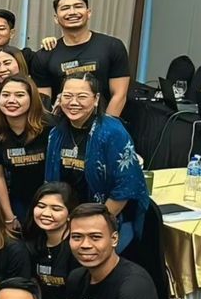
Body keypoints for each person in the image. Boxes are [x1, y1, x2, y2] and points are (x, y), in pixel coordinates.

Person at [44, 73, 149, 249]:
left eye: (82, 97)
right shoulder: (56, 133)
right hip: (66, 218)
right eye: (67, 96)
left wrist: (92, 225)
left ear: (96, 99)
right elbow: (51, 183)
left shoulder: (112, 132)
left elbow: (125, 187)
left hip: (107, 218)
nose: (73, 102)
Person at [32, 0, 130, 116]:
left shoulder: (112, 46)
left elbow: (119, 95)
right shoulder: (44, 55)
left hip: (105, 122)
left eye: (78, 7)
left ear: (88, 13)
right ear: (56, 18)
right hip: (62, 125)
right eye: (65, 8)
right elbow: (43, 103)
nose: (72, 12)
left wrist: (104, 128)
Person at [0, 74, 52, 228]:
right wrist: (9, 217)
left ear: (32, 99)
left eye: (19, 95)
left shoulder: (50, 126)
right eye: (5, 95)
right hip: (16, 199)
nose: (11, 100)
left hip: (51, 197)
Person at [25, 182, 78, 299]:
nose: (46, 213)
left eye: (56, 209)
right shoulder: (32, 241)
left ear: (70, 214)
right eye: (41, 206)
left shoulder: (77, 246)